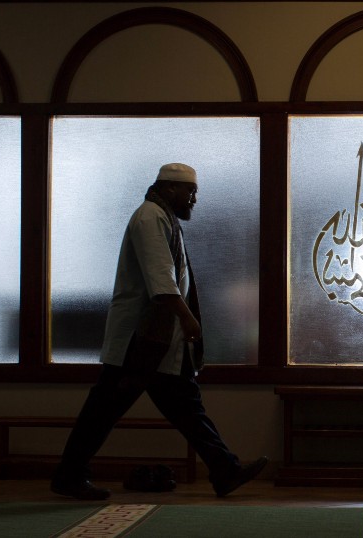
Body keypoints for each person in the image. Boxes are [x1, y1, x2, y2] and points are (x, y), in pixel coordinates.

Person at [51, 163, 267, 500]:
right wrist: (188, 319)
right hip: (139, 341)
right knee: (103, 411)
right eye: (189, 191)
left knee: (184, 407)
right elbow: (161, 280)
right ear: (168, 189)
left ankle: (224, 469)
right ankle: (68, 476)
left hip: (159, 340)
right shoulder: (150, 218)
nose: (194, 199)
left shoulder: (165, 219)